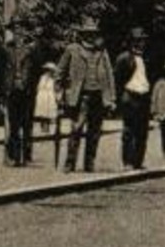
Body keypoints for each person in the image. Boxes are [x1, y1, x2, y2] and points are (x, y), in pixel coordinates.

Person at [57, 24, 116, 173]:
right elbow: (60, 71)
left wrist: (111, 98)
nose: (91, 37)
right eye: (88, 34)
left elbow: (109, 76)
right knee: (76, 129)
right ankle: (70, 163)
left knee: (95, 132)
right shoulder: (73, 50)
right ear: (82, 35)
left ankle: (89, 163)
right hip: (80, 96)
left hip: (98, 96)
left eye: (93, 34)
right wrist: (59, 92)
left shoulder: (102, 52)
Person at [114, 26, 153, 169]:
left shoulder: (147, 58)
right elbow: (118, 79)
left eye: (143, 40)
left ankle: (138, 161)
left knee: (142, 131)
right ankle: (128, 161)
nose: (141, 43)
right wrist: (120, 97)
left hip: (144, 97)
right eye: (138, 40)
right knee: (129, 131)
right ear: (131, 42)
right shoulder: (124, 58)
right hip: (130, 96)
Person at [0, 28, 36, 166]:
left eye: (22, 34)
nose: (19, 37)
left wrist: (27, 84)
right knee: (13, 124)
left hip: (26, 91)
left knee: (26, 124)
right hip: (12, 90)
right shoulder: (7, 50)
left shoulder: (30, 51)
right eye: (17, 34)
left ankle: (26, 156)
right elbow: (1, 69)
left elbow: (34, 70)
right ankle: (14, 156)